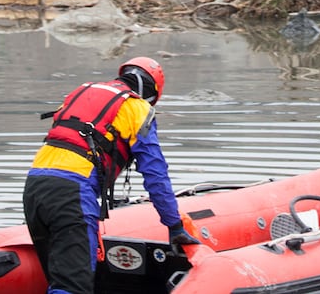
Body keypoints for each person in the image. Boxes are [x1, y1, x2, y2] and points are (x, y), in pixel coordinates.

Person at [23, 56, 200, 294]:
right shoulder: (138, 108)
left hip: (35, 186)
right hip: (72, 191)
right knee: (71, 286)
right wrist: (174, 225)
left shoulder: (83, 92)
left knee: (60, 277)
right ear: (152, 92)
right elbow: (156, 175)